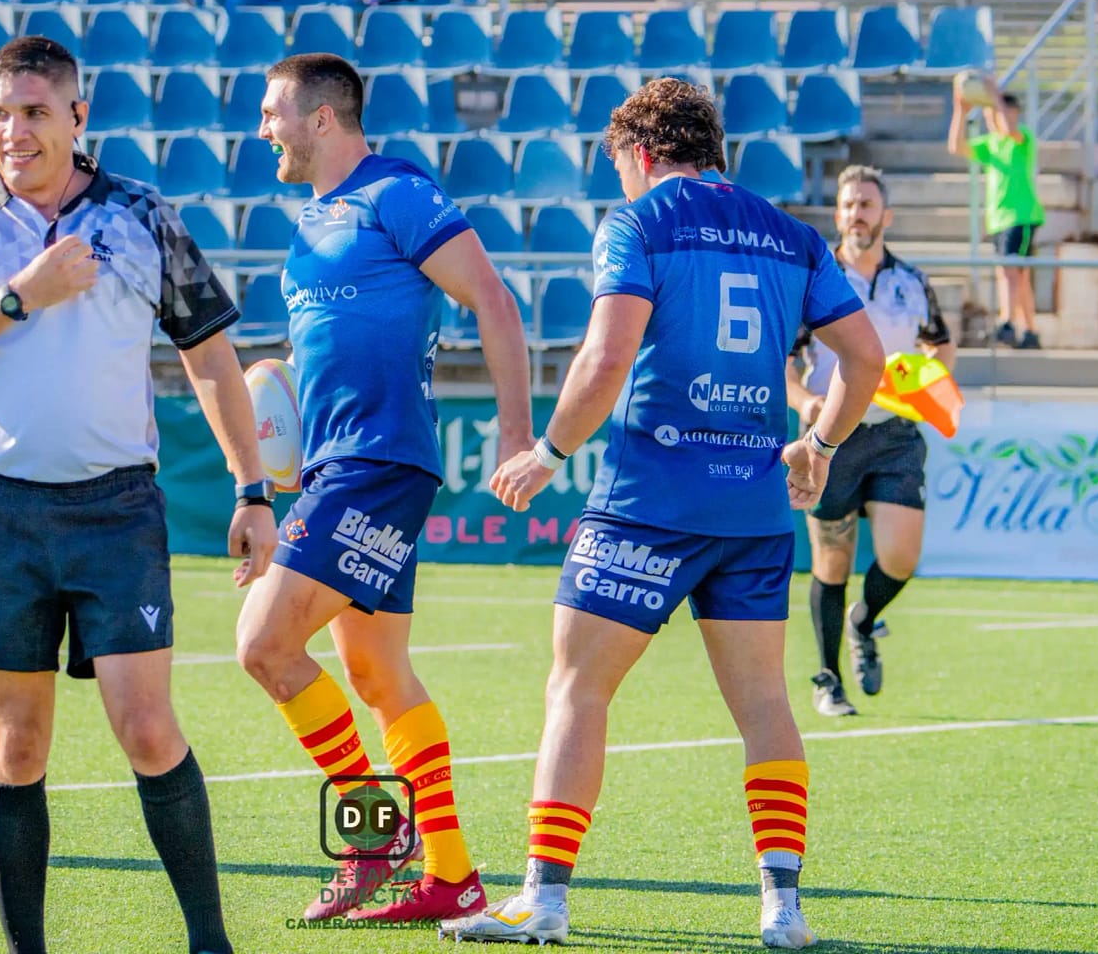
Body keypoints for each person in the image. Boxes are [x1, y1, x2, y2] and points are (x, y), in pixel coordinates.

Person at [441, 78, 884, 949]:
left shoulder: (638, 223)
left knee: (578, 688)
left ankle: (544, 898)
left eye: (619, 171)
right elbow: (864, 360)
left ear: (639, 155)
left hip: (648, 505)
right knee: (763, 703)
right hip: (753, 506)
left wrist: (548, 452)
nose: (620, 187)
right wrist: (820, 448)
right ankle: (783, 909)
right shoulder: (791, 234)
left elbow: (606, 357)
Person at [0, 36, 277, 954]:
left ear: (76, 117)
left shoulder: (141, 215)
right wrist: (20, 296)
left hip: (114, 511)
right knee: (15, 749)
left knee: (146, 729)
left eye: (34, 112)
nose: (14, 132)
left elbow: (209, 355)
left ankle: (209, 943)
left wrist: (251, 491)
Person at [236, 53, 532, 923]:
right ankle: (451, 878)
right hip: (333, 470)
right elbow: (312, 365)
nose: (263, 130)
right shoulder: (308, 223)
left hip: (378, 462)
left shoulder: (394, 192)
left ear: (322, 117)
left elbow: (493, 300)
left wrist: (516, 433)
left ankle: (376, 835)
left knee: (264, 646)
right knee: (376, 674)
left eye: (272, 113)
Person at [785, 165, 956, 717]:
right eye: (849, 204)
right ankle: (828, 679)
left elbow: (941, 344)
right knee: (831, 564)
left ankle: (864, 620)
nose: (857, 212)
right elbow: (784, 360)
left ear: (886, 215)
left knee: (901, 558)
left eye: (867, 203)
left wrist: (931, 387)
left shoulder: (911, 279)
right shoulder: (815, 277)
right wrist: (804, 402)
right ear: (837, 215)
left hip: (896, 436)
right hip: (829, 439)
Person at [948, 77, 1044, 349]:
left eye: (998, 112)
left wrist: (995, 97)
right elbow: (957, 146)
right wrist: (960, 110)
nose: (993, 117)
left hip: (1021, 216)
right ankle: (1030, 331)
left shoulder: (1022, 139)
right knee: (1018, 275)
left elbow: (1010, 128)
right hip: (999, 219)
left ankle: (1007, 322)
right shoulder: (991, 144)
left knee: (1011, 271)